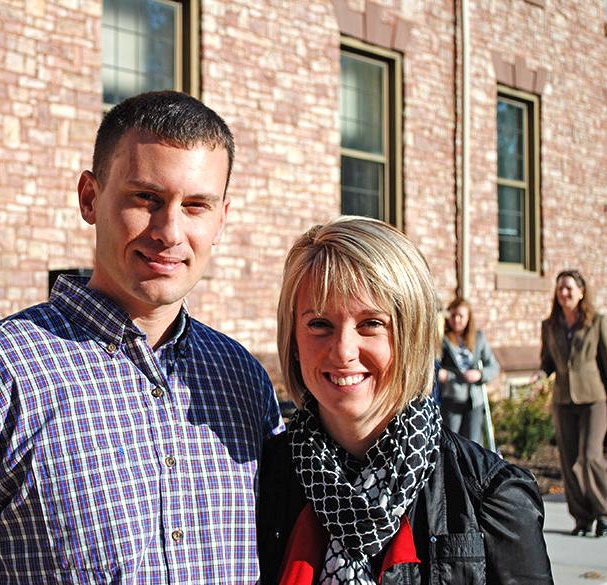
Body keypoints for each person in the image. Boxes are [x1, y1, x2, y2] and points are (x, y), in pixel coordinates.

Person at [0, 91, 283, 583]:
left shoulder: (243, 384)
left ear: (221, 218)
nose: (169, 231)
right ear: (90, 198)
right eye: (146, 198)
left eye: (196, 206)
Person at [257, 216, 552, 584]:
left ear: (412, 335)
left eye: (371, 324)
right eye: (319, 324)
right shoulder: (260, 480)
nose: (343, 351)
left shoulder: (491, 498)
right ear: (294, 341)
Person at [537, 269, 607, 537]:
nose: (563, 293)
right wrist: (540, 376)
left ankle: (602, 511)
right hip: (563, 399)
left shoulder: (597, 322)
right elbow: (547, 363)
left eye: (568, 288)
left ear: (581, 291)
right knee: (569, 461)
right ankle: (581, 517)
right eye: (559, 289)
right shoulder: (550, 325)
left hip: (594, 399)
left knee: (590, 457)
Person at [437, 297, 500, 445]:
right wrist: (446, 375)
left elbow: (494, 366)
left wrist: (480, 374)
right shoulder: (442, 339)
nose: (457, 320)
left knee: (473, 444)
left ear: (468, 318)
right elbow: (435, 365)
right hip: (452, 398)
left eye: (461, 316)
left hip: (474, 400)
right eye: (453, 316)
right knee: (450, 443)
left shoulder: (478, 338)